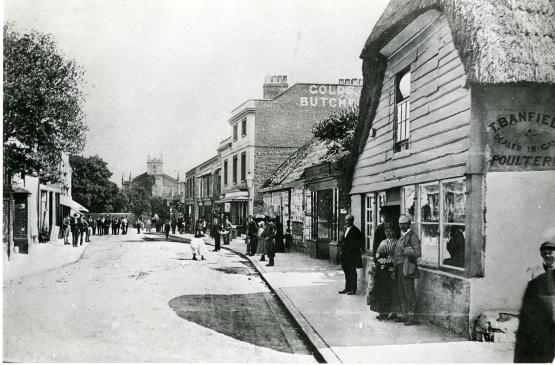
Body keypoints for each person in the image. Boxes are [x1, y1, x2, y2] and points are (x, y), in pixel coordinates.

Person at [514, 240, 555, 363]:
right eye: (544, 253)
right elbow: (528, 291)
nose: (547, 256)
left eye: (550, 252)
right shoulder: (534, 270)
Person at [392, 214, 421, 326]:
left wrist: (405, 250)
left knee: (409, 293)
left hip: (408, 268)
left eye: (404, 224)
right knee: (402, 293)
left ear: (409, 224)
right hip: (400, 268)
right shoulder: (402, 236)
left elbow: (417, 253)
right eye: (400, 224)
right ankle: (405, 315)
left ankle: (414, 318)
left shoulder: (412, 236)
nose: (402, 226)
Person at [369, 223, 397, 320]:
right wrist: (377, 262)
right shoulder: (383, 242)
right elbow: (377, 255)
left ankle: (390, 311)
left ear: (394, 232)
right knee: (380, 290)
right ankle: (382, 312)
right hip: (381, 269)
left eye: (390, 231)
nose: (388, 233)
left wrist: (393, 269)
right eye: (386, 231)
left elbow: (396, 259)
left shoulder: (396, 243)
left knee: (389, 291)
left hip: (390, 270)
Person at [339, 214, 363, 295]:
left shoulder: (356, 231)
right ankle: (347, 288)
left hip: (351, 256)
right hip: (345, 255)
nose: (347, 222)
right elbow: (342, 240)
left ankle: (353, 289)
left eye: (349, 220)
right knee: (346, 272)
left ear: (352, 221)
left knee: (352, 272)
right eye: (346, 220)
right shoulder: (345, 229)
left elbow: (358, 244)